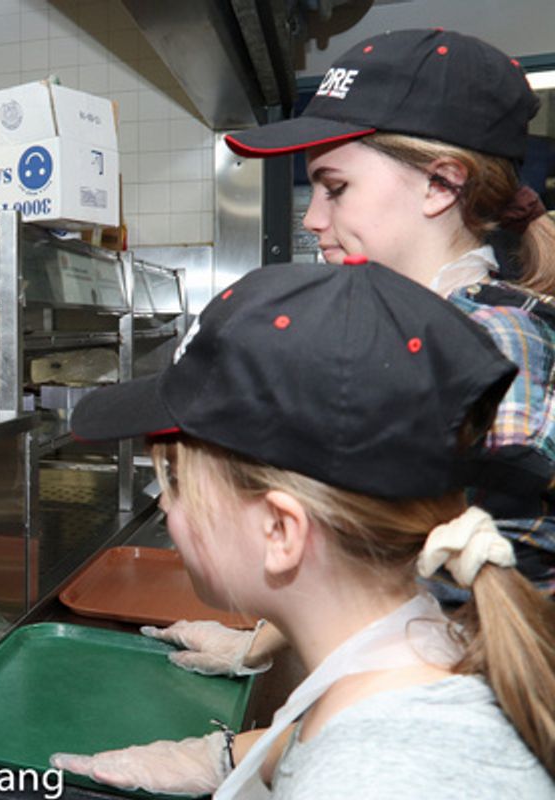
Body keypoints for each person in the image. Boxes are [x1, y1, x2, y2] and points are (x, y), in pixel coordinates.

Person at [133, 26, 555, 697]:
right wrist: (259, 645)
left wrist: (242, 760)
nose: (312, 219)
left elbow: (471, 619)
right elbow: (381, 553)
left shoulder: (491, 349)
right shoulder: (409, 329)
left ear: (441, 186)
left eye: (335, 187)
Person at [51, 260, 555, 797]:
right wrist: (224, 757)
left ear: (280, 531)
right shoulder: (419, 652)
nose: (169, 511)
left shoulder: (381, 777)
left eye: (175, 480)